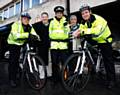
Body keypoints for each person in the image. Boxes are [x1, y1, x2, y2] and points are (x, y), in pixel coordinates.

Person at [73, 4, 116, 89]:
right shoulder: (83, 22)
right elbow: (80, 30)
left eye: (86, 12)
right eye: (83, 13)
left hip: (105, 40)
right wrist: (76, 33)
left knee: (108, 60)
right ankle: (91, 65)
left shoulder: (98, 19)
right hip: (96, 40)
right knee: (86, 48)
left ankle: (112, 80)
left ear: (90, 12)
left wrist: (82, 31)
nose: (84, 15)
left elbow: (97, 31)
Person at [7, 12, 39, 87]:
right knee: (13, 61)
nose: (26, 20)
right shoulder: (16, 25)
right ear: (21, 19)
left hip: (22, 43)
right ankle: (12, 79)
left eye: (28, 19)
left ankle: (23, 68)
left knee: (24, 56)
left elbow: (34, 34)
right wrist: (28, 35)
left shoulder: (30, 26)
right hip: (13, 43)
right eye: (24, 18)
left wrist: (37, 37)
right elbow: (15, 36)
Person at [49, 6, 70, 84]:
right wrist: (61, 36)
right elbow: (50, 35)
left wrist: (65, 28)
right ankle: (55, 79)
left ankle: (65, 78)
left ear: (62, 14)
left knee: (64, 63)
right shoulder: (52, 22)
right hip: (54, 46)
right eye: (57, 13)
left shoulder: (66, 21)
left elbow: (67, 34)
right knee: (54, 64)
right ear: (55, 14)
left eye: (60, 13)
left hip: (63, 46)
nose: (59, 14)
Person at [33, 12, 51, 77]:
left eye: (45, 17)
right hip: (41, 46)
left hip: (50, 46)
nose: (44, 18)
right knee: (41, 61)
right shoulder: (37, 25)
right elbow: (32, 30)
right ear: (41, 18)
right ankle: (42, 75)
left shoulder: (51, 24)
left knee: (49, 61)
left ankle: (49, 74)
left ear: (48, 17)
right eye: (43, 17)